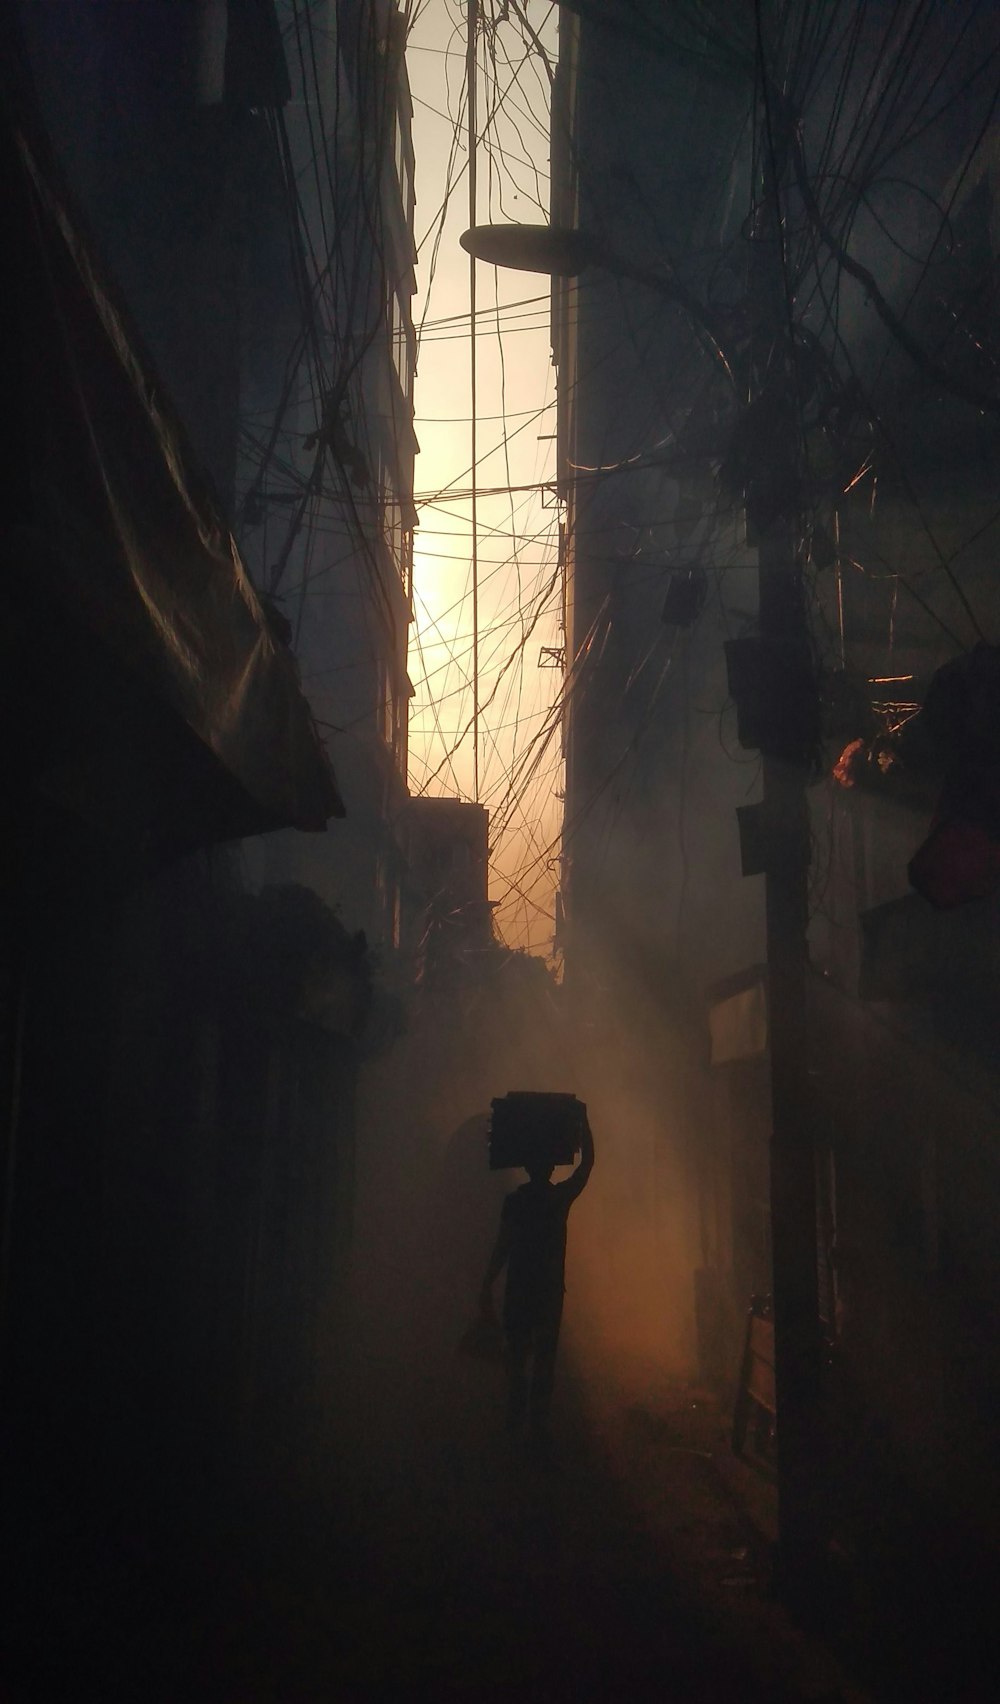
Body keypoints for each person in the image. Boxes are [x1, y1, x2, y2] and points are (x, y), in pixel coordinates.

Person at [479, 1112, 594, 1454]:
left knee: (516, 1360)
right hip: (547, 1292)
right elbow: (587, 1167)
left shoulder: (515, 1202)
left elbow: (502, 1246)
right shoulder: (559, 1199)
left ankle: (515, 1421)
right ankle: (536, 1426)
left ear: (527, 1168)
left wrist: (487, 1284)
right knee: (544, 1360)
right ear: (551, 1168)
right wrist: (584, 1125)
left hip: (519, 1290)